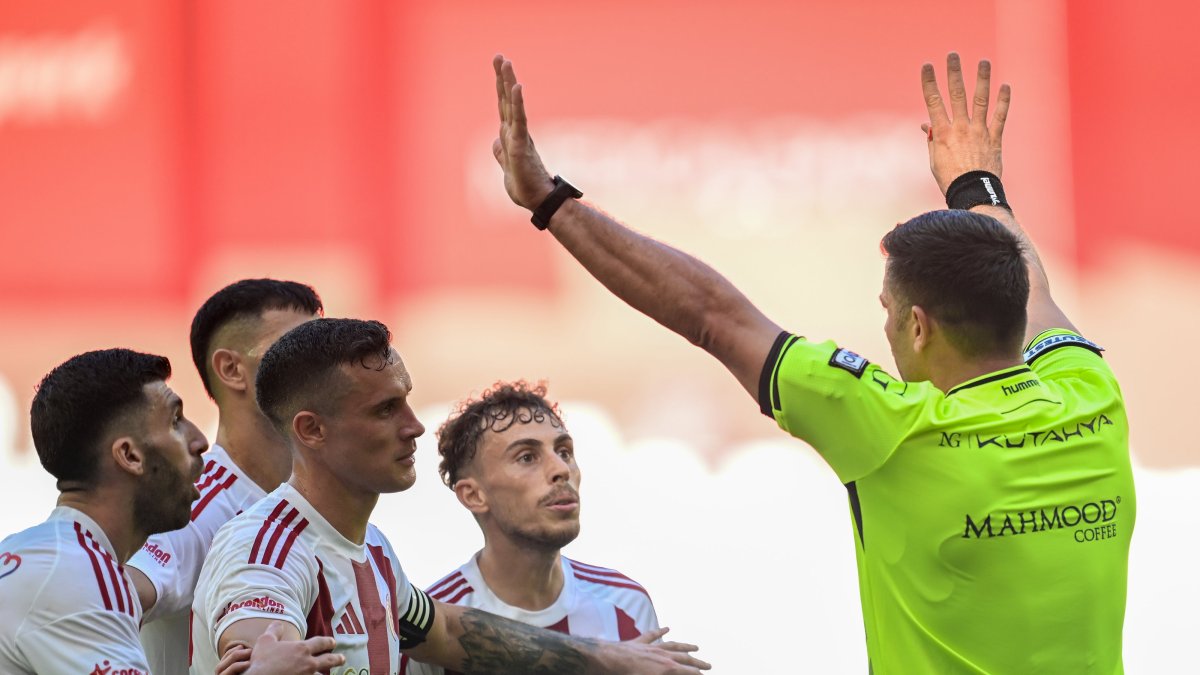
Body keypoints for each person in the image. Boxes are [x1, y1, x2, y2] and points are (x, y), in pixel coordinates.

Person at [488, 52, 1135, 673]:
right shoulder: (1090, 393)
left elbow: (711, 314)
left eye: (887, 308)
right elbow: (1034, 287)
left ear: (918, 323)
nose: (883, 325)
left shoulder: (893, 429)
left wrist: (546, 199)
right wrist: (975, 184)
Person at [191, 318, 709, 674]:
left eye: (408, 402)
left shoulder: (372, 551)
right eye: (385, 410)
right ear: (311, 430)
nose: (415, 427)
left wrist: (612, 659)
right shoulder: (267, 549)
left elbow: (447, 630)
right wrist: (263, 660)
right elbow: (258, 638)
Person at [0, 349, 341, 674]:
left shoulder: (38, 553)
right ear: (130, 456)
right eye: (176, 421)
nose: (198, 439)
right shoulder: (79, 574)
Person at [127, 278, 323, 675]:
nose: (325, 364)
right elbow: (105, 597)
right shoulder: (194, 506)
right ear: (232, 369)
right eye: (295, 346)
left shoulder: (322, 505)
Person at [403, 381, 666, 675]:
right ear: (474, 495)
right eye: (527, 457)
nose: (561, 470)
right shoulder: (431, 625)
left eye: (564, 452)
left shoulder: (625, 602)